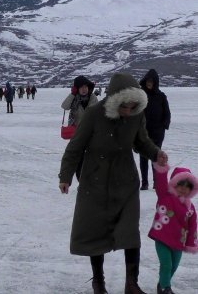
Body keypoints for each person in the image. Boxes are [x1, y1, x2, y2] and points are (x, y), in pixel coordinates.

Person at [58, 72, 169, 294]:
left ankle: (131, 284)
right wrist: (65, 176)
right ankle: (98, 282)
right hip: (95, 180)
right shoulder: (93, 114)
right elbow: (75, 147)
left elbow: (141, 142)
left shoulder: (136, 114)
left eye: (132, 107)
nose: (128, 111)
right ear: (114, 100)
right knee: (94, 231)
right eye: (124, 107)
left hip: (125, 180)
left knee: (130, 232)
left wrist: (156, 153)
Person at [148, 164, 197, 294]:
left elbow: (193, 226)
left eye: (187, 186)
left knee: (173, 266)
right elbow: (161, 183)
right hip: (162, 238)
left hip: (178, 242)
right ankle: (165, 288)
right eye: (181, 184)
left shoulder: (190, 208)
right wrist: (161, 169)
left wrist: (191, 243)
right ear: (174, 184)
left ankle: (162, 284)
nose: (183, 189)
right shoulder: (165, 196)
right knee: (166, 264)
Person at [61, 75, 98, 182]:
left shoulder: (92, 98)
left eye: (86, 87)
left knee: (90, 158)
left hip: (91, 133)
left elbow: (93, 113)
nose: (84, 89)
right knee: (78, 159)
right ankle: (81, 181)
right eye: (81, 87)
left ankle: (87, 180)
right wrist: (72, 94)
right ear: (77, 88)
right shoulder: (74, 98)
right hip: (76, 134)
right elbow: (64, 106)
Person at [139, 69, 171, 190]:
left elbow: (167, 113)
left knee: (155, 156)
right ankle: (144, 182)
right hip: (143, 132)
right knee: (143, 157)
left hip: (157, 132)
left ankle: (156, 181)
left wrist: (164, 125)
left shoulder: (161, 96)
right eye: (147, 80)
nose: (149, 83)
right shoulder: (141, 96)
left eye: (151, 81)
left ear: (155, 82)